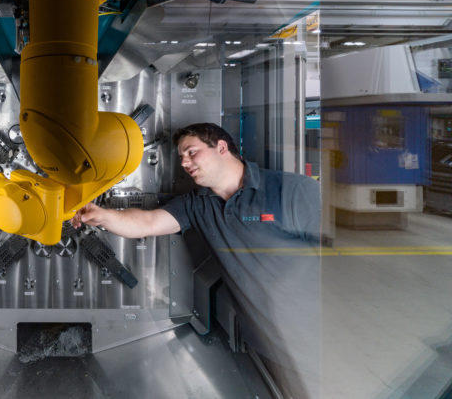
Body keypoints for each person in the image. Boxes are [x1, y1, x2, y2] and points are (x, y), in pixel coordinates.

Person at [73, 122, 321, 398]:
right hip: (268, 345)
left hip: (320, 334)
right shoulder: (197, 204)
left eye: (191, 152)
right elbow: (147, 222)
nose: (185, 163)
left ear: (222, 148)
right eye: (181, 157)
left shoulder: (294, 191)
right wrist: (101, 215)